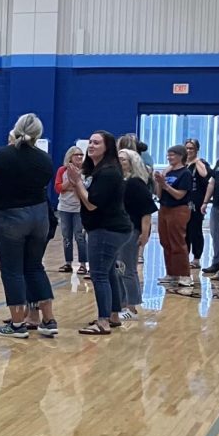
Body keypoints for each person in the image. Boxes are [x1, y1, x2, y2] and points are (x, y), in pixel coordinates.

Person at [0, 113, 58, 339]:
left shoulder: (2, 154)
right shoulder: (44, 158)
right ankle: (49, 320)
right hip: (40, 215)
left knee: (12, 269)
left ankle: (16, 324)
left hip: (11, 217)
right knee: (35, 266)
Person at [66, 131, 132, 335]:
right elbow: (84, 199)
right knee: (109, 271)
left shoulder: (109, 172)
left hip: (107, 230)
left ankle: (103, 321)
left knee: (99, 274)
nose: (91, 146)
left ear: (107, 147)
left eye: (96, 143)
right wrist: (76, 182)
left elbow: (92, 204)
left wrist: (76, 181)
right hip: (105, 227)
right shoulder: (96, 171)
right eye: (90, 142)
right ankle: (113, 315)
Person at [118, 148, 156, 316]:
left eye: (124, 160)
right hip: (118, 230)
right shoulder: (118, 181)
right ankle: (121, 303)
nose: (120, 162)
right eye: (118, 159)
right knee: (119, 269)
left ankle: (131, 306)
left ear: (132, 163)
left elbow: (146, 212)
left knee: (128, 268)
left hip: (131, 230)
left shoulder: (135, 183)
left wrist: (145, 233)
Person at [154, 144, 193, 288]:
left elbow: (179, 195)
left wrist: (165, 186)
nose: (169, 157)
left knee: (178, 242)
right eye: (168, 155)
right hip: (164, 208)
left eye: (172, 155)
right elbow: (159, 194)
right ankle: (171, 273)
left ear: (181, 156)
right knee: (165, 242)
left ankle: (185, 275)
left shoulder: (185, 174)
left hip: (179, 209)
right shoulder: (168, 172)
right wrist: (159, 182)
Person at [53, 145, 89, 275]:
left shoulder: (86, 171)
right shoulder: (62, 170)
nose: (79, 157)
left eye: (81, 155)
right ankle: (68, 262)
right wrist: (72, 182)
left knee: (80, 236)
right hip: (64, 207)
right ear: (70, 157)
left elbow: (85, 189)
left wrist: (76, 184)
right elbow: (58, 188)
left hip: (80, 208)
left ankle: (83, 264)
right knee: (66, 236)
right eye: (76, 155)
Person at [184, 139, 211, 269]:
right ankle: (184, 256)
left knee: (195, 230)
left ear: (196, 150)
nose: (189, 151)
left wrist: (196, 161)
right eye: (187, 148)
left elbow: (205, 174)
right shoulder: (182, 163)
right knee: (184, 230)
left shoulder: (201, 163)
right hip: (183, 200)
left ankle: (196, 258)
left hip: (196, 201)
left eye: (191, 149)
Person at [206, 149, 219, 277]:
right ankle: (217, 262)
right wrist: (205, 202)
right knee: (216, 234)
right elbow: (212, 183)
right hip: (217, 204)